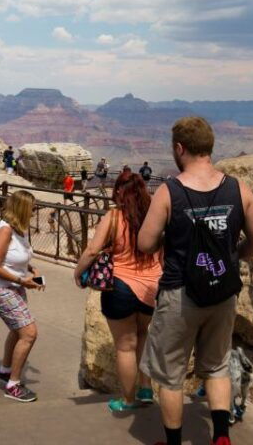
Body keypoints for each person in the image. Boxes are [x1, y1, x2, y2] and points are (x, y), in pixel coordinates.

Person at [136, 117, 253, 445]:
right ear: (209, 147)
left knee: (170, 375)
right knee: (217, 366)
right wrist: (233, 255)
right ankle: (221, 438)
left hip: (180, 295)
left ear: (179, 148)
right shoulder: (239, 189)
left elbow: (144, 243)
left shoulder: (170, 192)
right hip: (223, 292)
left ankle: (174, 442)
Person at [73, 171, 162, 412]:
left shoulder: (114, 217)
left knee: (125, 346)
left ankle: (128, 400)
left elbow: (92, 250)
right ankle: (146, 389)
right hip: (152, 287)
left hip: (121, 286)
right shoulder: (153, 216)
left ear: (119, 192)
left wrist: (78, 272)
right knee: (143, 336)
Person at [0, 190, 43, 403]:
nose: (35, 212)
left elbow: (16, 256)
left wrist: (31, 270)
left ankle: (5, 371)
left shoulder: (20, 229)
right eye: (32, 208)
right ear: (23, 208)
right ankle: (13, 385)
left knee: (18, 330)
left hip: (13, 283)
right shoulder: (5, 230)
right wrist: (21, 281)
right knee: (29, 333)